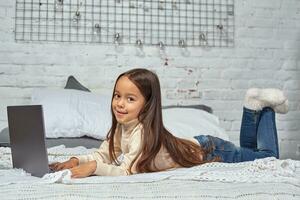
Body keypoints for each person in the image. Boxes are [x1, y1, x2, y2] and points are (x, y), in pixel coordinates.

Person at [49, 68, 289, 178]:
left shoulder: (142, 133)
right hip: (203, 145)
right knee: (252, 153)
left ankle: (261, 109)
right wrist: (76, 160)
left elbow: (125, 172)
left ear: (147, 104)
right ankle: (254, 106)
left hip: (211, 151)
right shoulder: (122, 129)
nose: (120, 104)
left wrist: (93, 168)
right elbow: (104, 155)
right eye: (117, 95)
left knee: (268, 157)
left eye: (130, 99)